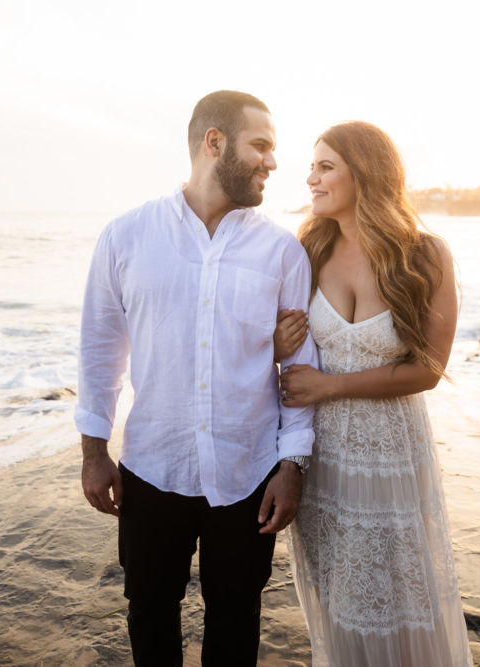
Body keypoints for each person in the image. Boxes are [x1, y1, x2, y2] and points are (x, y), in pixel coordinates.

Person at [76, 90, 319, 666]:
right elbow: (100, 347)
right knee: (150, 612)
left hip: (248, 471)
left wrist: (292, 465)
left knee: (236, 619)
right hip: (152, 465)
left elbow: (300, 368)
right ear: (215, 143)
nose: (273, 162)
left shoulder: (282, 251)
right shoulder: (126, 236)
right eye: (261, 145)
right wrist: (93, 451)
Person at [274, 121, 472, 666]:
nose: (310, 178)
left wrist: (329, 385)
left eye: (325, 166)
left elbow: (428, 368)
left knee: (401, 594)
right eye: (312, 166)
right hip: (323, 455)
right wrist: (274, 342)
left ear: (365, 172)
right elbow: (281, 355)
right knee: (337, 595)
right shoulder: (307, 248)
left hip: (390, 453)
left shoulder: (425, 254)